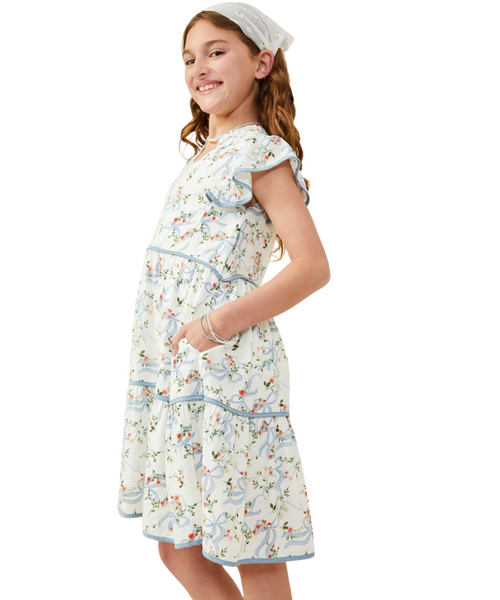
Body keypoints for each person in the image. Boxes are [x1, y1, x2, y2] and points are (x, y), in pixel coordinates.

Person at [118, 3, 330, 598]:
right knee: (178, 547)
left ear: (261, 63)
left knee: (249, 541)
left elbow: (313, 267)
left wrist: (216, 323)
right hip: (179, 371)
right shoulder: (203, 160)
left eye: (216, 52)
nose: (199, 67)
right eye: (189, 58)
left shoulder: (262, 155)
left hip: (229, 367)